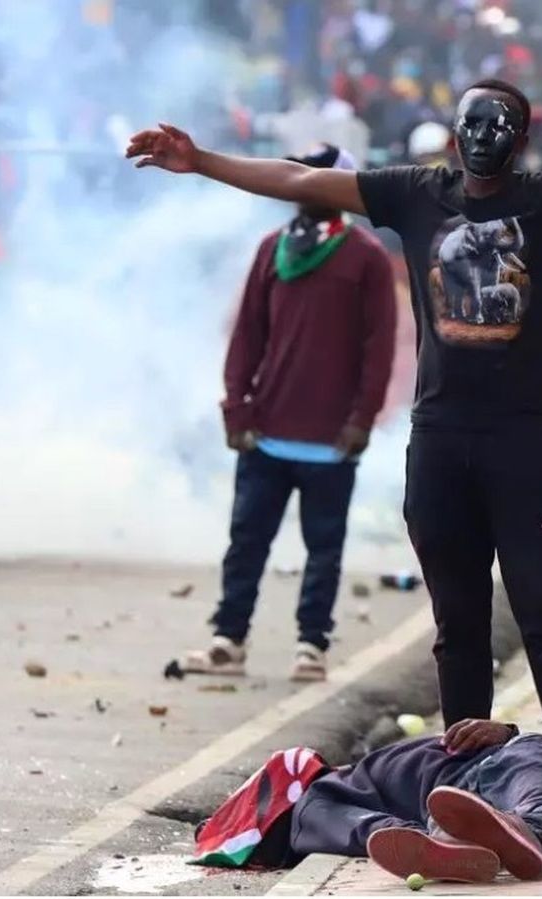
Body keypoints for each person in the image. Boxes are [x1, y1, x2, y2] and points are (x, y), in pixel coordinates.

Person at [127, 77, 542, 839]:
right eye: (473, 123)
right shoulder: (414, 193)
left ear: (521, 140)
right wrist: (201, 160)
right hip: (438, 443)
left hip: (519, 444)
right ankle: (469, 780)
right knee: (457, 622)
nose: (484, 137)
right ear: (454, 132)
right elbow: (297, 180)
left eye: (501, 125)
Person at [184, 143, 397, 683]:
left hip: (331, 438)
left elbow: (379, 348)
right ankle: (228, 639)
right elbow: (247, 336)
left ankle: (311, 645)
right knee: (247, 541)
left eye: (317, 177)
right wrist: (236, 406)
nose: (303, 185)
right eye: (298, 175)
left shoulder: (367, 257)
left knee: (323, 548)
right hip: (267, 433)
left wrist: (362, 418)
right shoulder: (271, 249)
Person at [190, 719, 542, 884]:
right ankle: (517, 831)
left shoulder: (320, 796)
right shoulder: (323, 795)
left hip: (489, 776)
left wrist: (429, 841)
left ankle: (494, 833)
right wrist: (507, 731)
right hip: (512, 762)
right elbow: (376, 830)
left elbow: (371, 830)